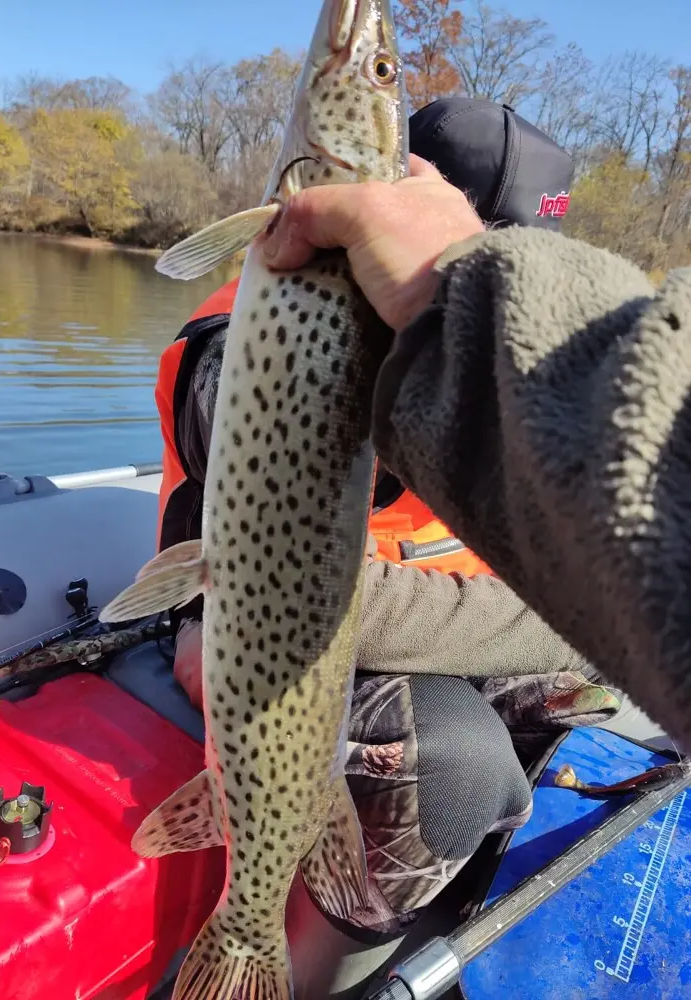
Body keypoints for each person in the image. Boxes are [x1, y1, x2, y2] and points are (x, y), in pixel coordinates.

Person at [155, 100, 621, 934]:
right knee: (461, 763)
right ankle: (320, 954)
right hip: (304, 651)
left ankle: (481, 888)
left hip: (443, 618)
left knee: (581, 695)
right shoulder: (256, 327)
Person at [260, 117, 691, 752]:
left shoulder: (542, 379)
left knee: (598, 702)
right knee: (463, 762)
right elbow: (314, 596)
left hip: (476, 621)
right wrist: (586, 615)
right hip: (334, 654)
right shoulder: (296, 338)